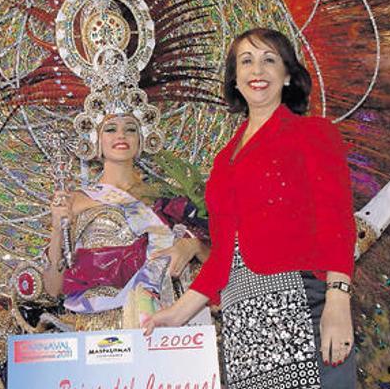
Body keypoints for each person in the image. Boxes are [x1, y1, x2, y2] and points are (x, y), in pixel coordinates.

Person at [143, 28, 357, 388]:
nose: (257, 69)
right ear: (235, 79)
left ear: (287, 75)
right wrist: (178, 313)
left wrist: (338, 301)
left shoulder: (313, 133)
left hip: (302, 301)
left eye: (269, 59)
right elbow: (224, 254)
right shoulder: (224, 159)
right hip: (243, 317)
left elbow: (336, 221)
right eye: (247, 61)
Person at [43, 115, 209, 331]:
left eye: (130, 129)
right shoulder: (74, 201)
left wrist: (192, 245)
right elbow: (53, 288)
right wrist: (57, 227)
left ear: (141, 139)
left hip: (158, 320)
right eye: (111, 129)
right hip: (97, 328)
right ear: (96, 141)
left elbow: (217, 263)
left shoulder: (166, 198)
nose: (121, 135)